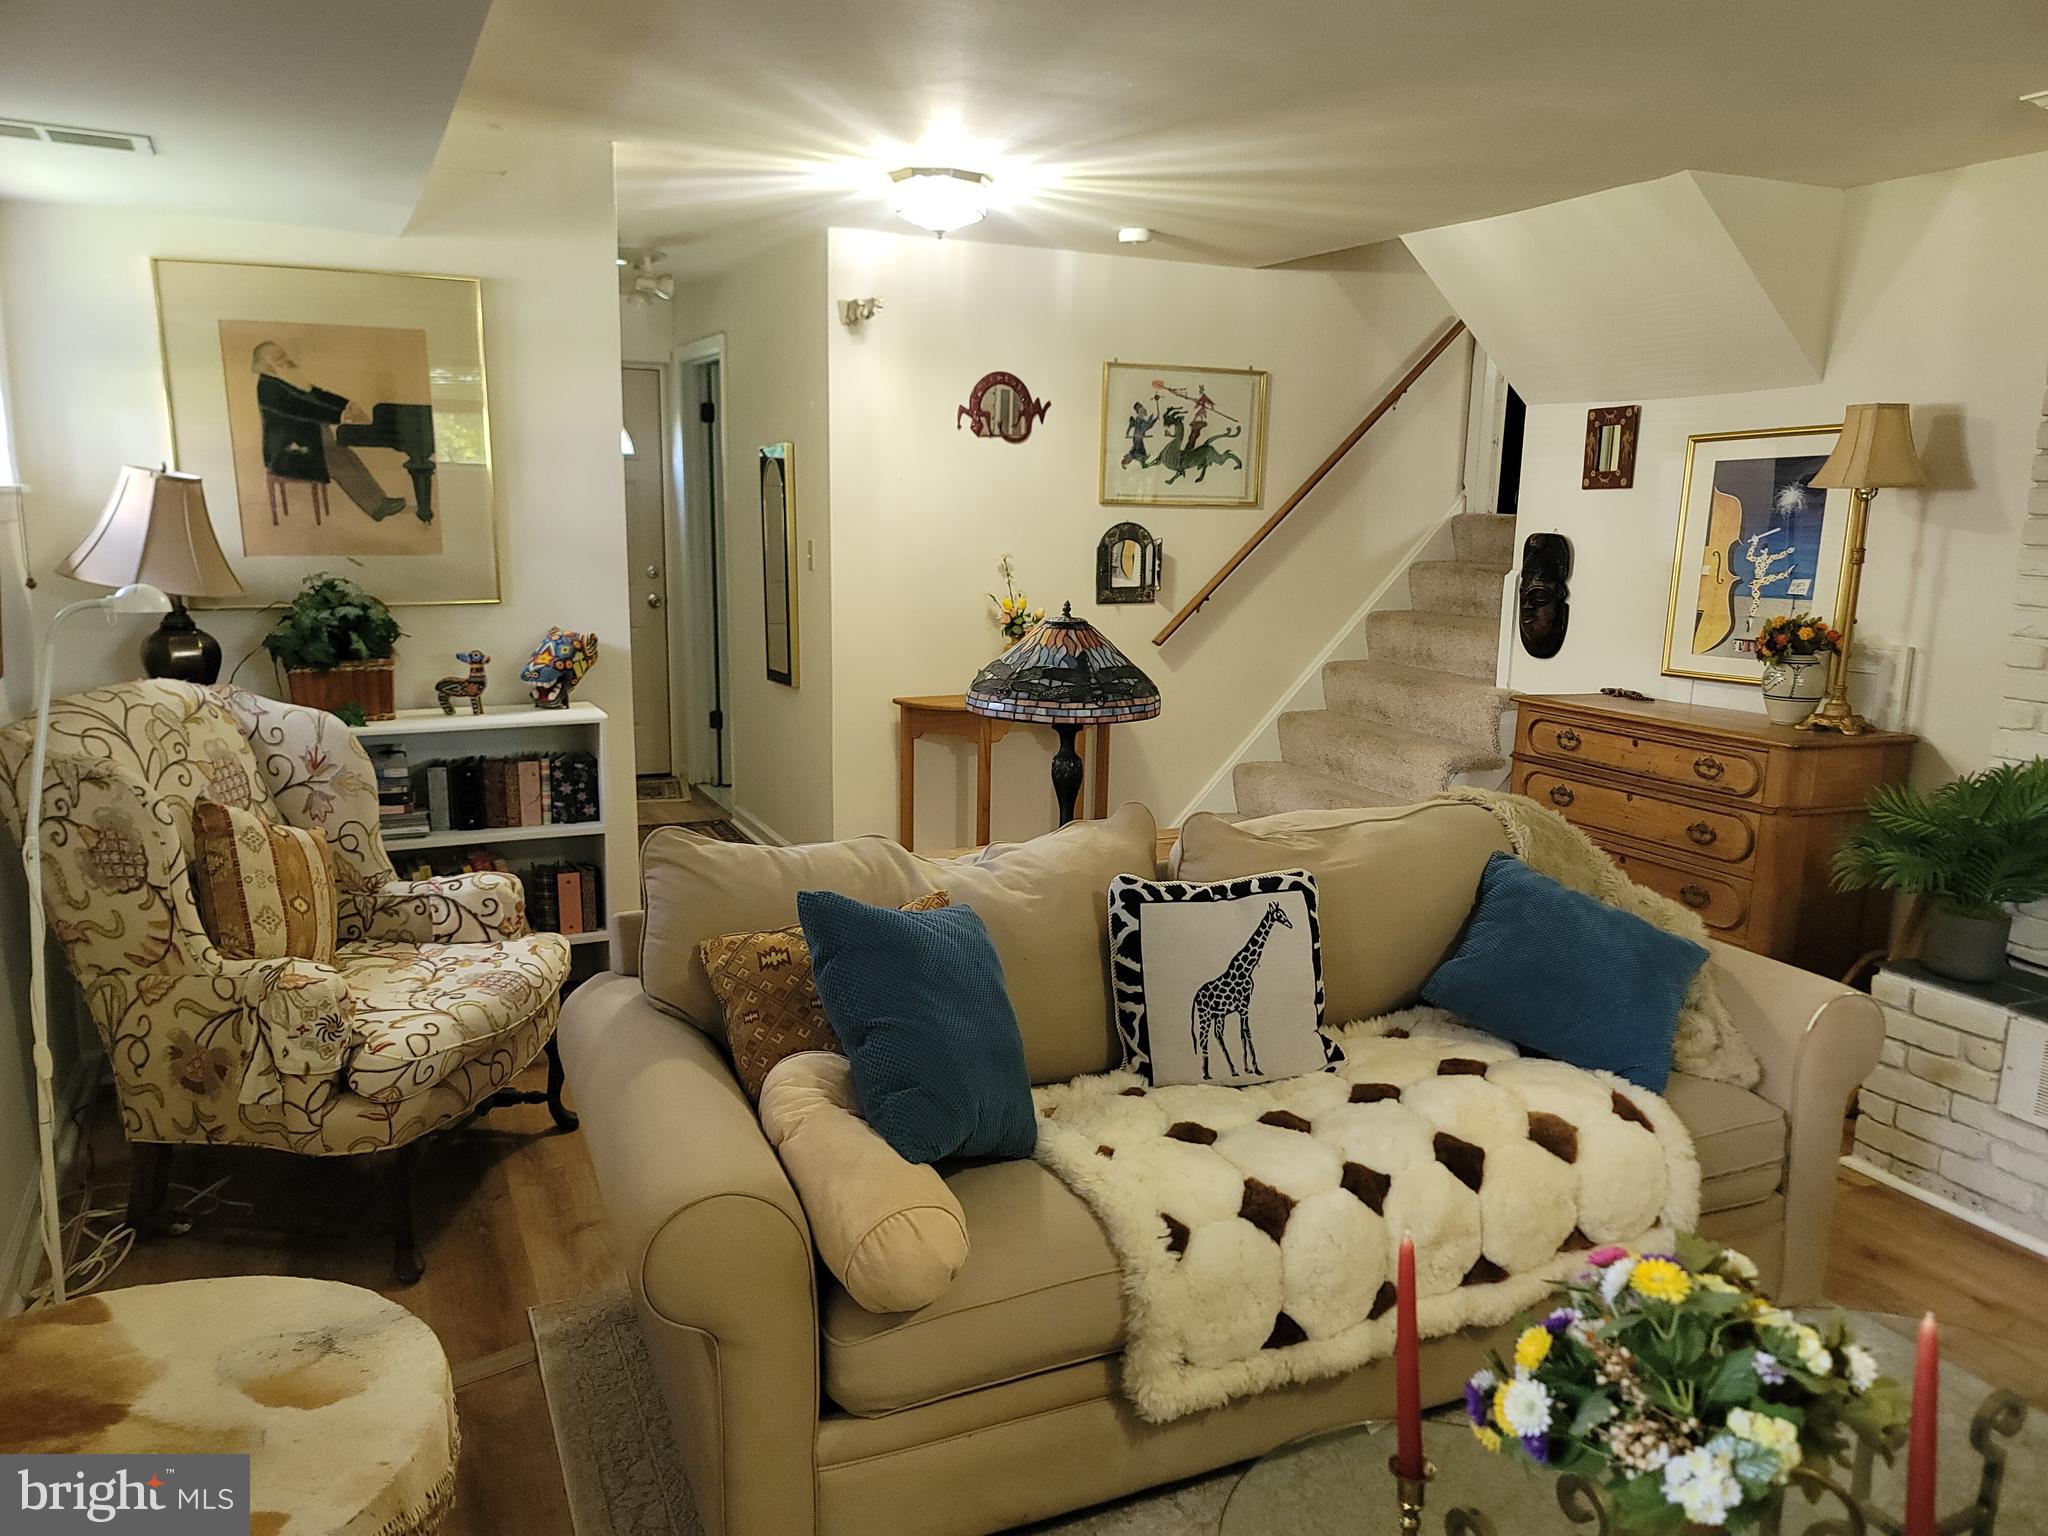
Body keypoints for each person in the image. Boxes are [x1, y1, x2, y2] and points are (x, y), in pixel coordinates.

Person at [251, 342, 407, 521]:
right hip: (286, 454)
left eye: (284, 355)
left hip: (308, 445)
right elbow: (302, 408)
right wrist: (340, 416)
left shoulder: (287, 381)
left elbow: (319, 395)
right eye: (278, 358)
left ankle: (379, 502)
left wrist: (347, 404)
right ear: (265, 365)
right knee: (339, 461)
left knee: (347, 455)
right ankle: (377, 506)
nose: (286, 360)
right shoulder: (268, 387)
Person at [1122, 399, 1158, 468]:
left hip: (1138, 437)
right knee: (1139, 451)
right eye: (1142, 409)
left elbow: (1147, 425)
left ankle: (1142, 461)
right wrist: (1153, 420)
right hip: (1137, 437)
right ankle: (1142, 462)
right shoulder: (1139, 419)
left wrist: (1154, 420)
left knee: (1139, 451)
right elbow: (1147, 425)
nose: (1145, 411)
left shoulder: (1140, 419)